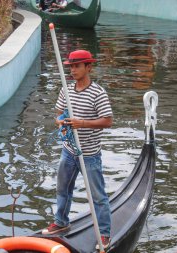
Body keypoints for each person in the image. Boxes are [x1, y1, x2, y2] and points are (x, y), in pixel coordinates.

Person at [42, 50, 113, 250]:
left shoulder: (98, 93)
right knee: (63, 189)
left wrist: (81, 123)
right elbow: (58, 114)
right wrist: (61, 122)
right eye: (71, 66)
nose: (73, 70)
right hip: (69, 151)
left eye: (77, 66)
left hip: (89, 154)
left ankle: (105, 233)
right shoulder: (66, 89)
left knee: (98, 196)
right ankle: (61, 222)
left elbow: (107, 121)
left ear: (88, 67)